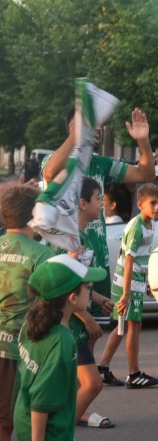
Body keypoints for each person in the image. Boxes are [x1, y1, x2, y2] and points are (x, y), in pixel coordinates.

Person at [43, 107, 155, 328]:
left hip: (98, 262)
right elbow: (48, 173)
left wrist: (143, 142)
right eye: (90, 123)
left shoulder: (101, 164)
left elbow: (145, 174)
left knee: (93, 334)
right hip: (64, 259)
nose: (98, 128)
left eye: (99, 123)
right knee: (63, 329)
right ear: (72, 128)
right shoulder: (55, 160)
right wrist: (76, 138)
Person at [13, 254, 107, 441]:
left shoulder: (31, 322)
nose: (90, 292)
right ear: (72, 298)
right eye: (87, 288)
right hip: (48, 432)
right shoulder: (63, 341)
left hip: (25, 420)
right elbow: (41, 401)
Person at [48, 177, 115, 428]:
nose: (102, 204)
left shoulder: (78, 235)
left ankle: (69, 418)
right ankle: (59, 428)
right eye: (99, 199)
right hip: (70, 326)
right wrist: (86, 319)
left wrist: (96, 298)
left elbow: (77, 280)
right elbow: (63, 287)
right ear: (82, 203)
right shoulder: (71, 239)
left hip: (74, 325)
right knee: (93, 384)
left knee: (76, 383)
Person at [0, 186, 54, 441]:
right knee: (7, 422)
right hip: (15, 350)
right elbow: (49, 304)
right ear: (35, 215)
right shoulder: (41, 253)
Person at [98, 184, 158, 389]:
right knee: (133, 326)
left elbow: (144, 258)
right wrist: (126, 294)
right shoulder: (137, 227)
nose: (157, 208)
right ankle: (134, 374)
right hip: (127, 285)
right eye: (152, 204)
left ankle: (102, 367)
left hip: (134, 283)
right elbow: (128, 261)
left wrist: (149, 283)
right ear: (140, 204)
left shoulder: (149, 223)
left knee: (122, 326)